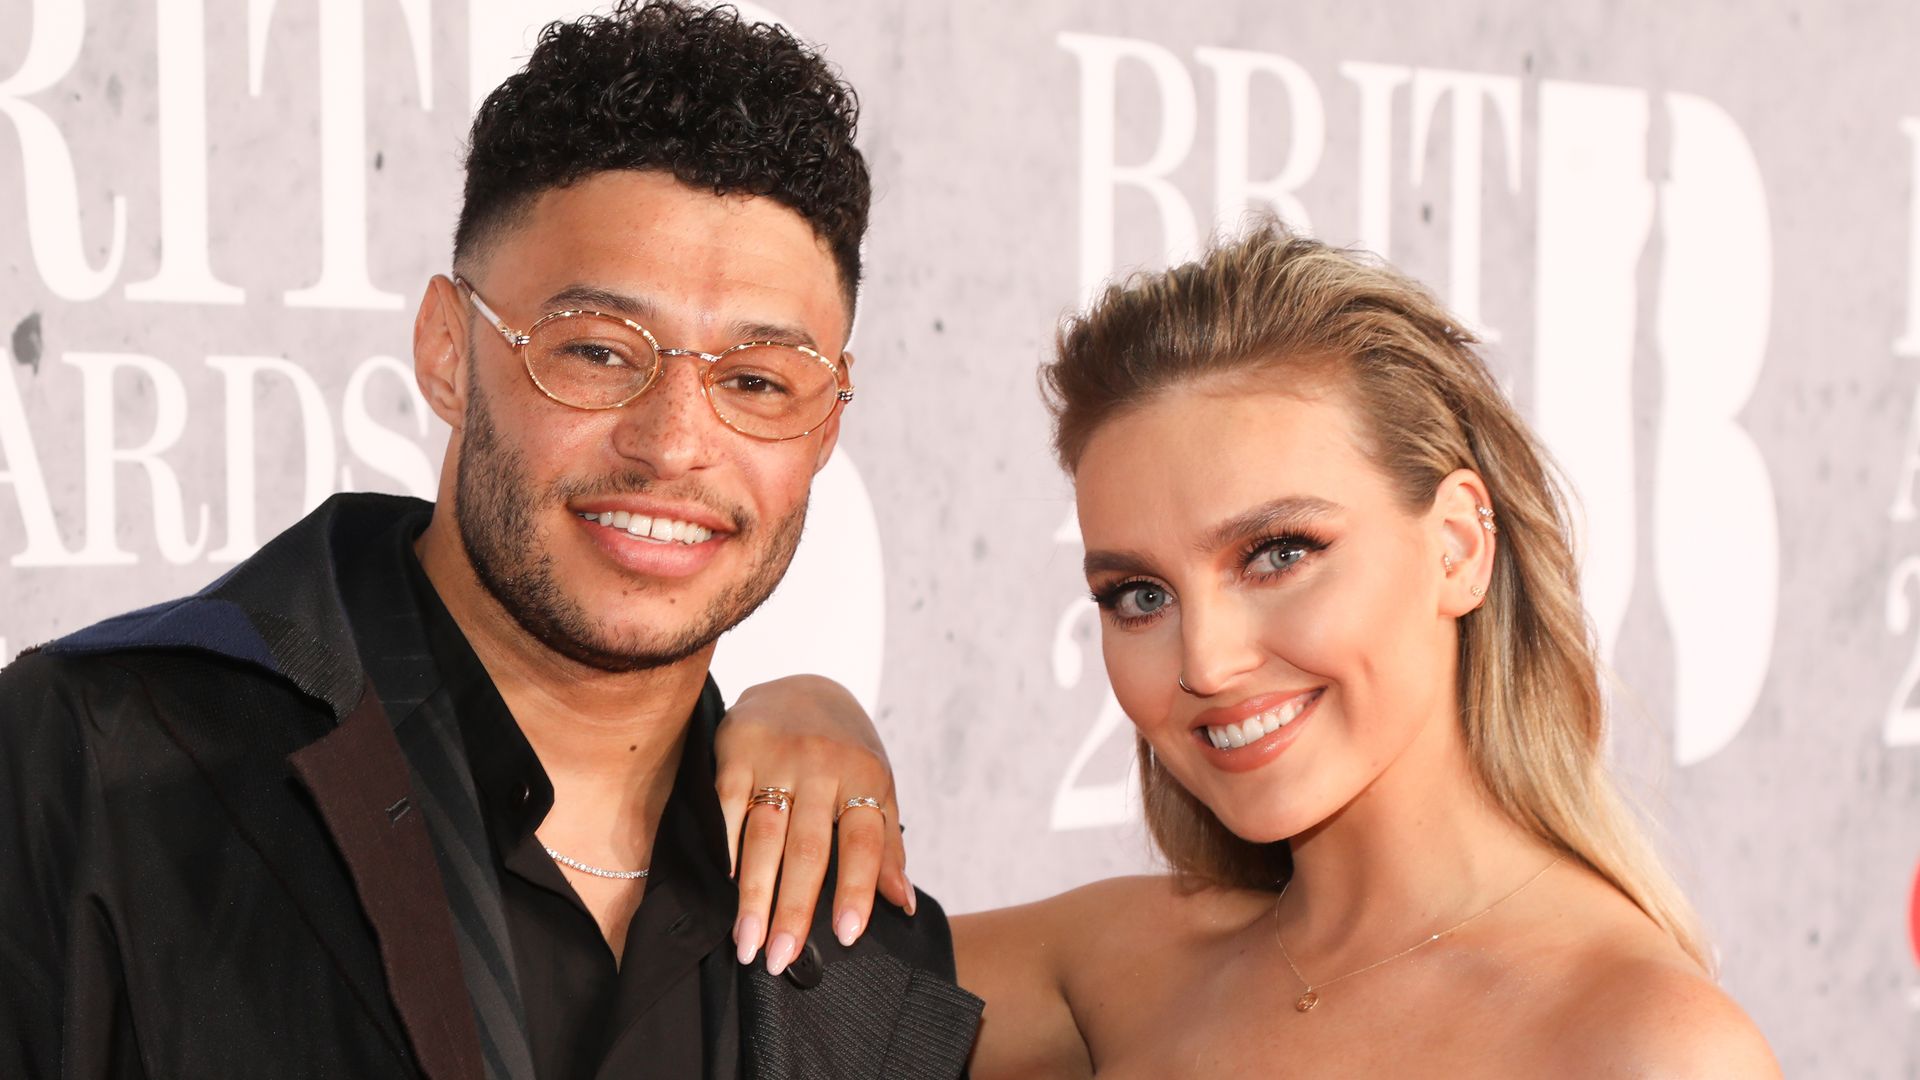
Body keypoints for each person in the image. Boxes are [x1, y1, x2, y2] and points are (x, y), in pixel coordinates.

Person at [0, 4, 978, 1078]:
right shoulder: (95, 767)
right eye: (601, 353)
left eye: (755, 381)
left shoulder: (865, 948)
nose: (673, 445)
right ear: (447, 353)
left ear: (826, 424)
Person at [731, 222, 1781, 1076]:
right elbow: (711, 996)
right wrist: (807, 706)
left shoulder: (1644, 1045)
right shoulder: (1123, 965)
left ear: (1457, 545)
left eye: (1279, 553)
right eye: (1138, 593)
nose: (1210, 660)